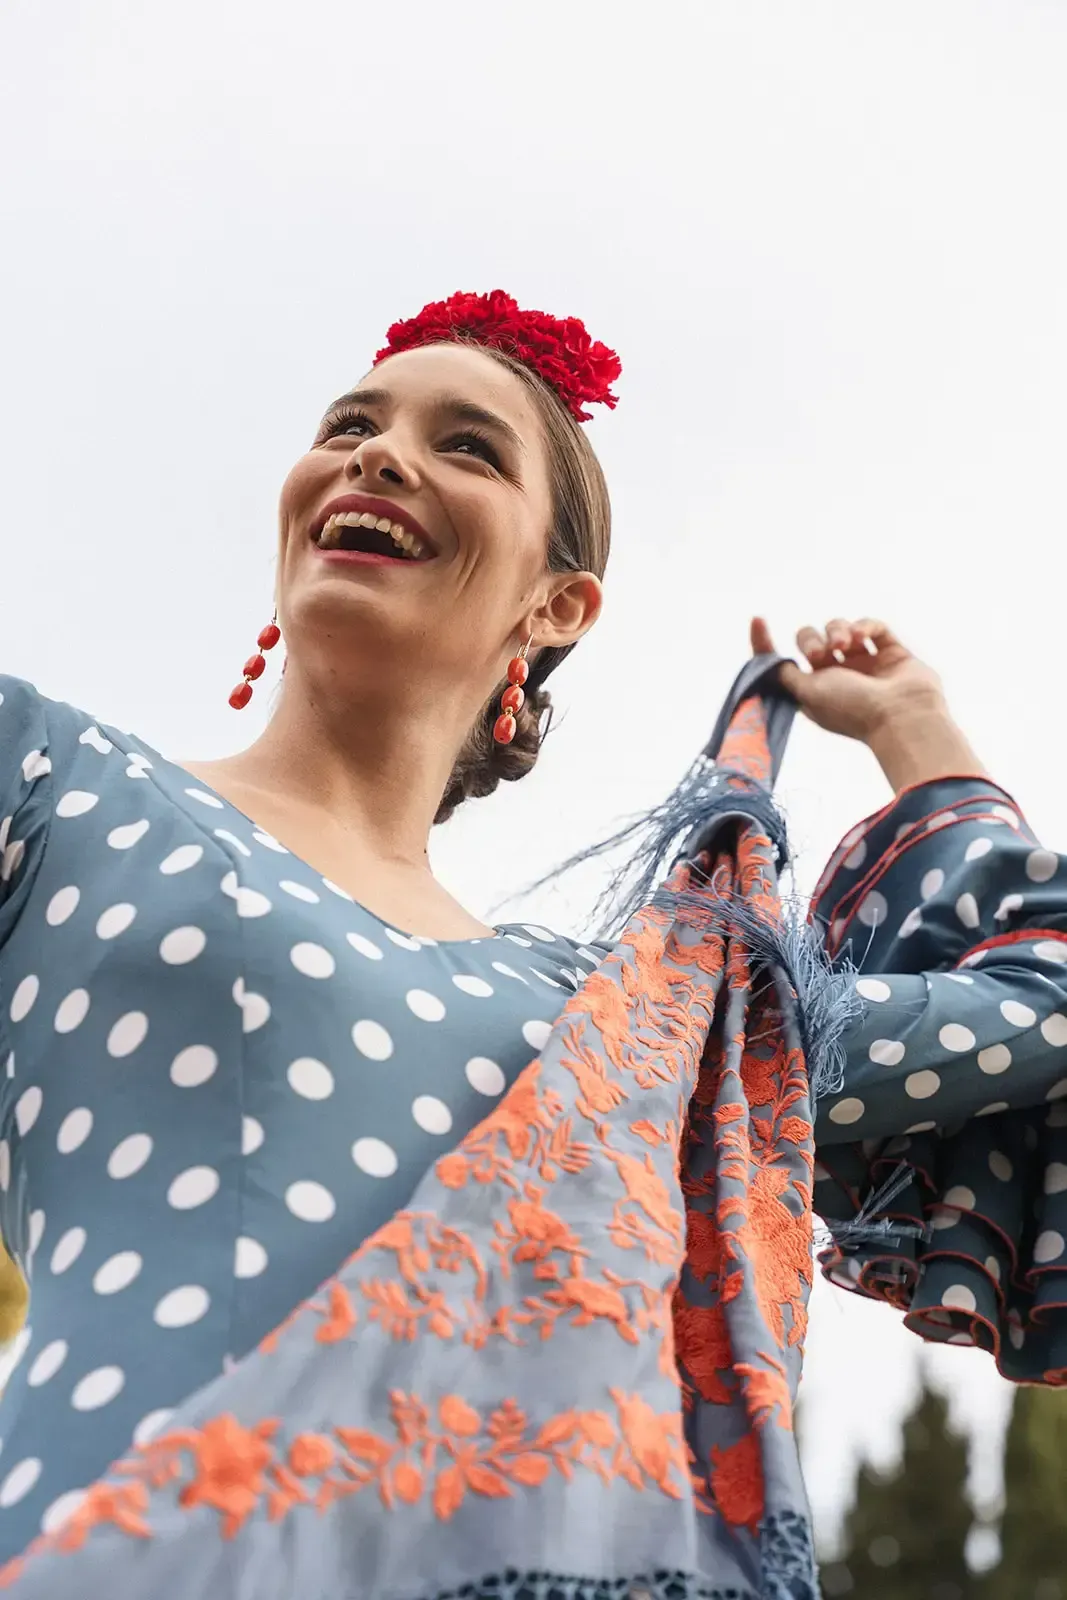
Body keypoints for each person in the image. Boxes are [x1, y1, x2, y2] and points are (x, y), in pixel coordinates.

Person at [0, 290, 1063, 1594]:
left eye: (467, 446)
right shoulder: (51, 781)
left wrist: (914, 728)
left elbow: (1033, 1008)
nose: (379, 454)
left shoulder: (629, 1028)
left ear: (558, 606)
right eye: (351, 423)